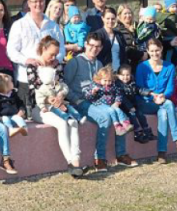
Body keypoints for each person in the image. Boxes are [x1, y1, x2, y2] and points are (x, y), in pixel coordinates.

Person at [64, 33, 137, 171]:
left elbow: (106, 86)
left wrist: (111, 100)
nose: (94, 49)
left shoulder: (99, 64)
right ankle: (100, 158)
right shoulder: (75, 62)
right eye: (91, 45)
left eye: (98, 46)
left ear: (101, 47)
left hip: (99, 102)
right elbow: (65, 85)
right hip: (81, 102)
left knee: (120, 115)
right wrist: (77, 100)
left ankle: (121, 155)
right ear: (85, 44)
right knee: (105, 119)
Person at [28, 37, 86, 176]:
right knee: (62, 124)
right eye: (51, 54)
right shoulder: (33, 65)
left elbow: (63, 85)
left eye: (56, 54)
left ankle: (77, 160)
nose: (53, 58)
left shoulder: (57, 65)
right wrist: (49, 98)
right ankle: (70, 162)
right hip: (41, 108)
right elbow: (33, 88)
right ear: (43, 49)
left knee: (73, 122)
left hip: (58, 105)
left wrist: (60, 96)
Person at [7, 0, 65, 116]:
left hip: (49, 80)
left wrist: (57, 59)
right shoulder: (19, 24)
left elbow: (62, 49)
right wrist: (26, 60)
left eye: (41, 1)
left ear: (45, 3)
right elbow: (11, 50)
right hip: (26, 79)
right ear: (29, 3)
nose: (38, 4)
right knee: (28, 118)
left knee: (50, 116)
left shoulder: (53, 26)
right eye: (35, 2)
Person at [135, 38, 177, 163]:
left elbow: (170, 89)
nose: (154, 53)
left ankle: (161, 153)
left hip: (162, 102)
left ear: (161, 49)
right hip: (145, 102)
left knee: (163, 113)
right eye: (151, 51)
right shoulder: (141, 67)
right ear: (147, 51)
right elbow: (139, 87)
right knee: (169, 104)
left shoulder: (169, 66)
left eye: (157, 50)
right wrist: (153, 95)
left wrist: (163, 96)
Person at [84, 66, 134, 135]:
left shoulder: (113, 86)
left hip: (111, 104)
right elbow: (88, 96)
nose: (107, 83)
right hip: (100, 104)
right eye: (105, 80)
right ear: (99, 79)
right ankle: (117, 126)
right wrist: (93, 92)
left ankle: (125, 123)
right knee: (111, 111)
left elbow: (118, 94)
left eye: (109, 80)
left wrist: (117, 102)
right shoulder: (95, 86)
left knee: (118, 110)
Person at [116, 64, 154, 144]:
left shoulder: (132, 83)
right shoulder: (118, 86)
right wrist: (130, 107)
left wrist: (149, 92)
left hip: (133, 105)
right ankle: (137, 133)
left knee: (140, 114)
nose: (125, 77)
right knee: (132, 116)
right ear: (118, 75)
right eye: (123, 75)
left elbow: (139, 89)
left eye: (127, 75)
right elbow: (123, 98)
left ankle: (146, 130)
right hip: (124, 107)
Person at [0, 73, 28, 137]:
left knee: (18, 118)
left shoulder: (13, 94)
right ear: (4, 85)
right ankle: (11, 129)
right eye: (11, 82)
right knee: (5, 118)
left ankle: (24, 129)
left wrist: (21, 110)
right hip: (2, 120)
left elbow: (20, 103)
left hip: (13, 117)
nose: (13, 83)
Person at [93, 7, 128, 72]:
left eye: (113, 19)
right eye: (108, 18)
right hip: (104, 73)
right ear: (102, 18)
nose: (110, 21)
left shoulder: (119, 34)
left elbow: (123, 54)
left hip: (119, 72)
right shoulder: (98, 34)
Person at [116, 4, 145, 69]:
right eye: (125, 13)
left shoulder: (136, 27)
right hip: (126, 64)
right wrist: (141, 54)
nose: (128, 16)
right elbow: (124, 48)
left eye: (129, 13)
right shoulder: (118, 30)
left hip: (138, 63)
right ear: (119, 15)